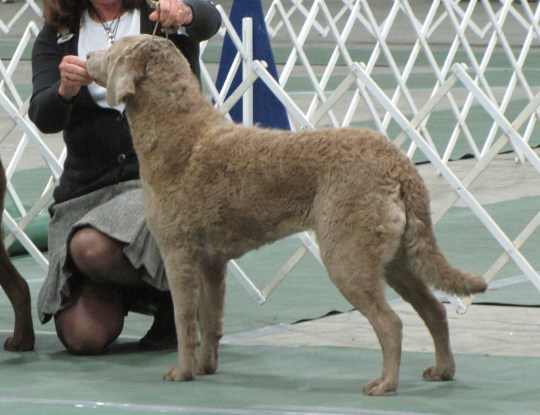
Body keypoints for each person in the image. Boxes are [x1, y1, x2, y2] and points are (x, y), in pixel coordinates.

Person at [28, 0, 221, 355]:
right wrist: (63, 91)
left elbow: (209, 21)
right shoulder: (57, 35)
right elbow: (42, 115)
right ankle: (145, 287)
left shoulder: (157, 17)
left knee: (90, 248)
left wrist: (186, 13)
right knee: (82, 338)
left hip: (157, 183)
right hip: (84, 194)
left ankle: (174, 302)